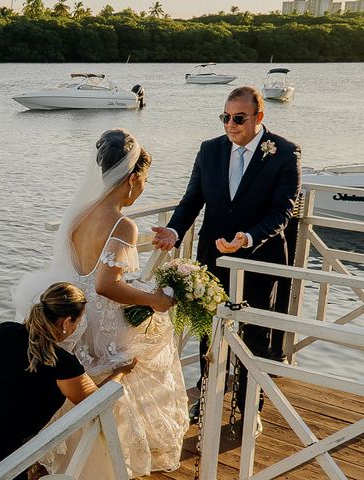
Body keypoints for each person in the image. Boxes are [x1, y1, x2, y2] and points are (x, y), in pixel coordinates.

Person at [14, 129, 189, 477]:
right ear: (134, 177)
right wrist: (154, 300)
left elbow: (78, 274)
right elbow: (107, 285)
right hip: (103, 324)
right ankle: (102, 468)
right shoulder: (123, 226)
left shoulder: (77, 214)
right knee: (132, 370)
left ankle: (61, 462)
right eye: (145, 181)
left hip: (71, 318)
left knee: (71, 396)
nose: (144, 189)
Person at [152, 86, 302, 433]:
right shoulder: (210, 150)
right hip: (214, 258)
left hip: (259, 259)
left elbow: (283, 211)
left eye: (238, 118)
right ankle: (206, 401)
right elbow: (192, 200)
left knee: (255, 337)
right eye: (225, 117)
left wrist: (248, 238)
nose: (230, 125)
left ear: (258, 118)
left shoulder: (284, 153)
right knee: (211, 333)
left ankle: (250, 408)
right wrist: (174, 232)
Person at [0, 282, 135, 480]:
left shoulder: (6, 331)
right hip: (2, 443)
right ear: (66, 322)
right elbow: (94, 401)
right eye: (77, 321)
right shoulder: (62, 363)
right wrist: (120, 372)